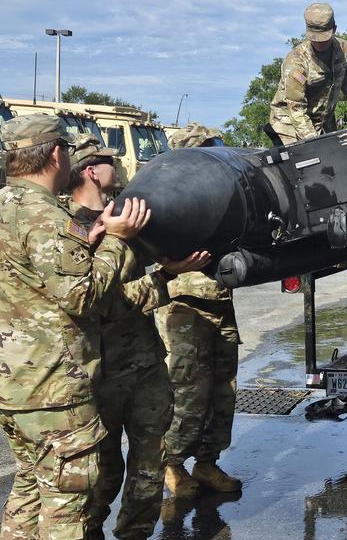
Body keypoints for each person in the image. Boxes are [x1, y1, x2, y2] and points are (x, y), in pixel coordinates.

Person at [0, 113, 150, 539]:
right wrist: (117, 240)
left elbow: (27, 280)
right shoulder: (44, 216)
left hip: (14, 386)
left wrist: (85, 246)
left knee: (28, 494)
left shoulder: (6, 205)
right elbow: (82, 297)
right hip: (54, 391)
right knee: (69, 506)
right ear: (54, 153)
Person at [65, 134, 210, 539]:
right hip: (100, 374)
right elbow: (100, 302)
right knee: (101, 477)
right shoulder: (73, 227)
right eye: (111, 161)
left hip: (144, 365)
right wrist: (166, 277)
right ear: (92, 171)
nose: (121, 166)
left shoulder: (128, 214)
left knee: (148, 472)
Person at [160, 123, 243, 499]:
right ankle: (172, 465)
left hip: (221, 302)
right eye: (210, 148)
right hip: (186, 306)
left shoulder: (222, 198)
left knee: (224, 391)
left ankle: (207, 462)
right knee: (187, 394)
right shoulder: (171, 198)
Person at [269, 3, 347, 145]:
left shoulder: (344, 51)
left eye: (323, 39)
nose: (318, 44)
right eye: (314, 38)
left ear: (334, 30)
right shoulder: (296, 63)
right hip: (290, 123)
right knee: (306, 161)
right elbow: (296, 108)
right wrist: (314, 142)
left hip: (324, 118)